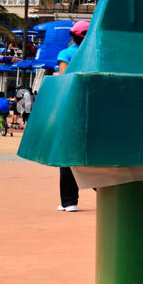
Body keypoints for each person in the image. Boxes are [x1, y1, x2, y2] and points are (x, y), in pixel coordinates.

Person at [55, 20, 89, 212]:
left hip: (71, 108)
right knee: (90, 153)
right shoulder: (96, 51)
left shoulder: (66, 54)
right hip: (91, 106)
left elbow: (64, 80)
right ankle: (104, 188)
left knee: (66, 154)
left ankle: (69, 201)